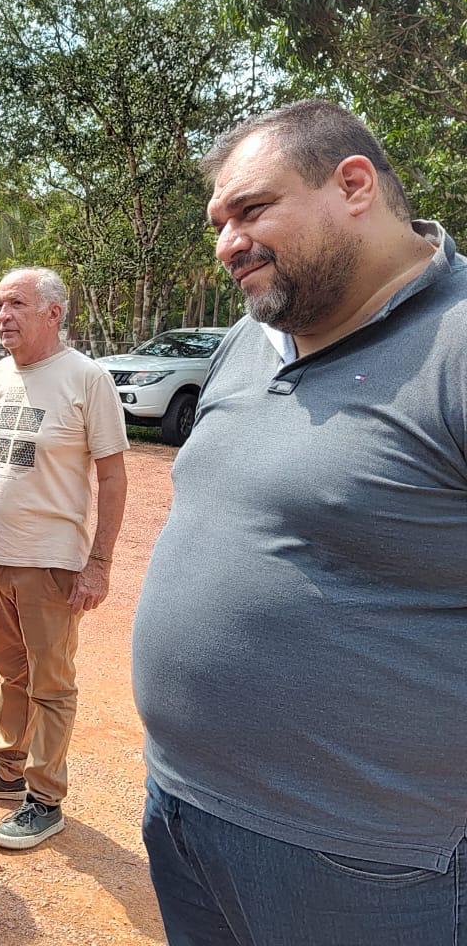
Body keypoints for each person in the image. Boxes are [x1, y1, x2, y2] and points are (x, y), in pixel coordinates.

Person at [133, 99, 467, 944]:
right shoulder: (252, 338)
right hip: (180, 811)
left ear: (354, 184)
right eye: (219, 222)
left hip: (367, 865)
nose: (226, 243)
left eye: (252, 210)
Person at [0, 268, 128, 849]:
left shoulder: (85, 378)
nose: (3, 316)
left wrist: (98, 562)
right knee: (11, 672)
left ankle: (45, 797)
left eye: (17, 304)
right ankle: (8, 768)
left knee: (52, 682)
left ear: (53, 312)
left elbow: (114, 476)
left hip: (51, 560)